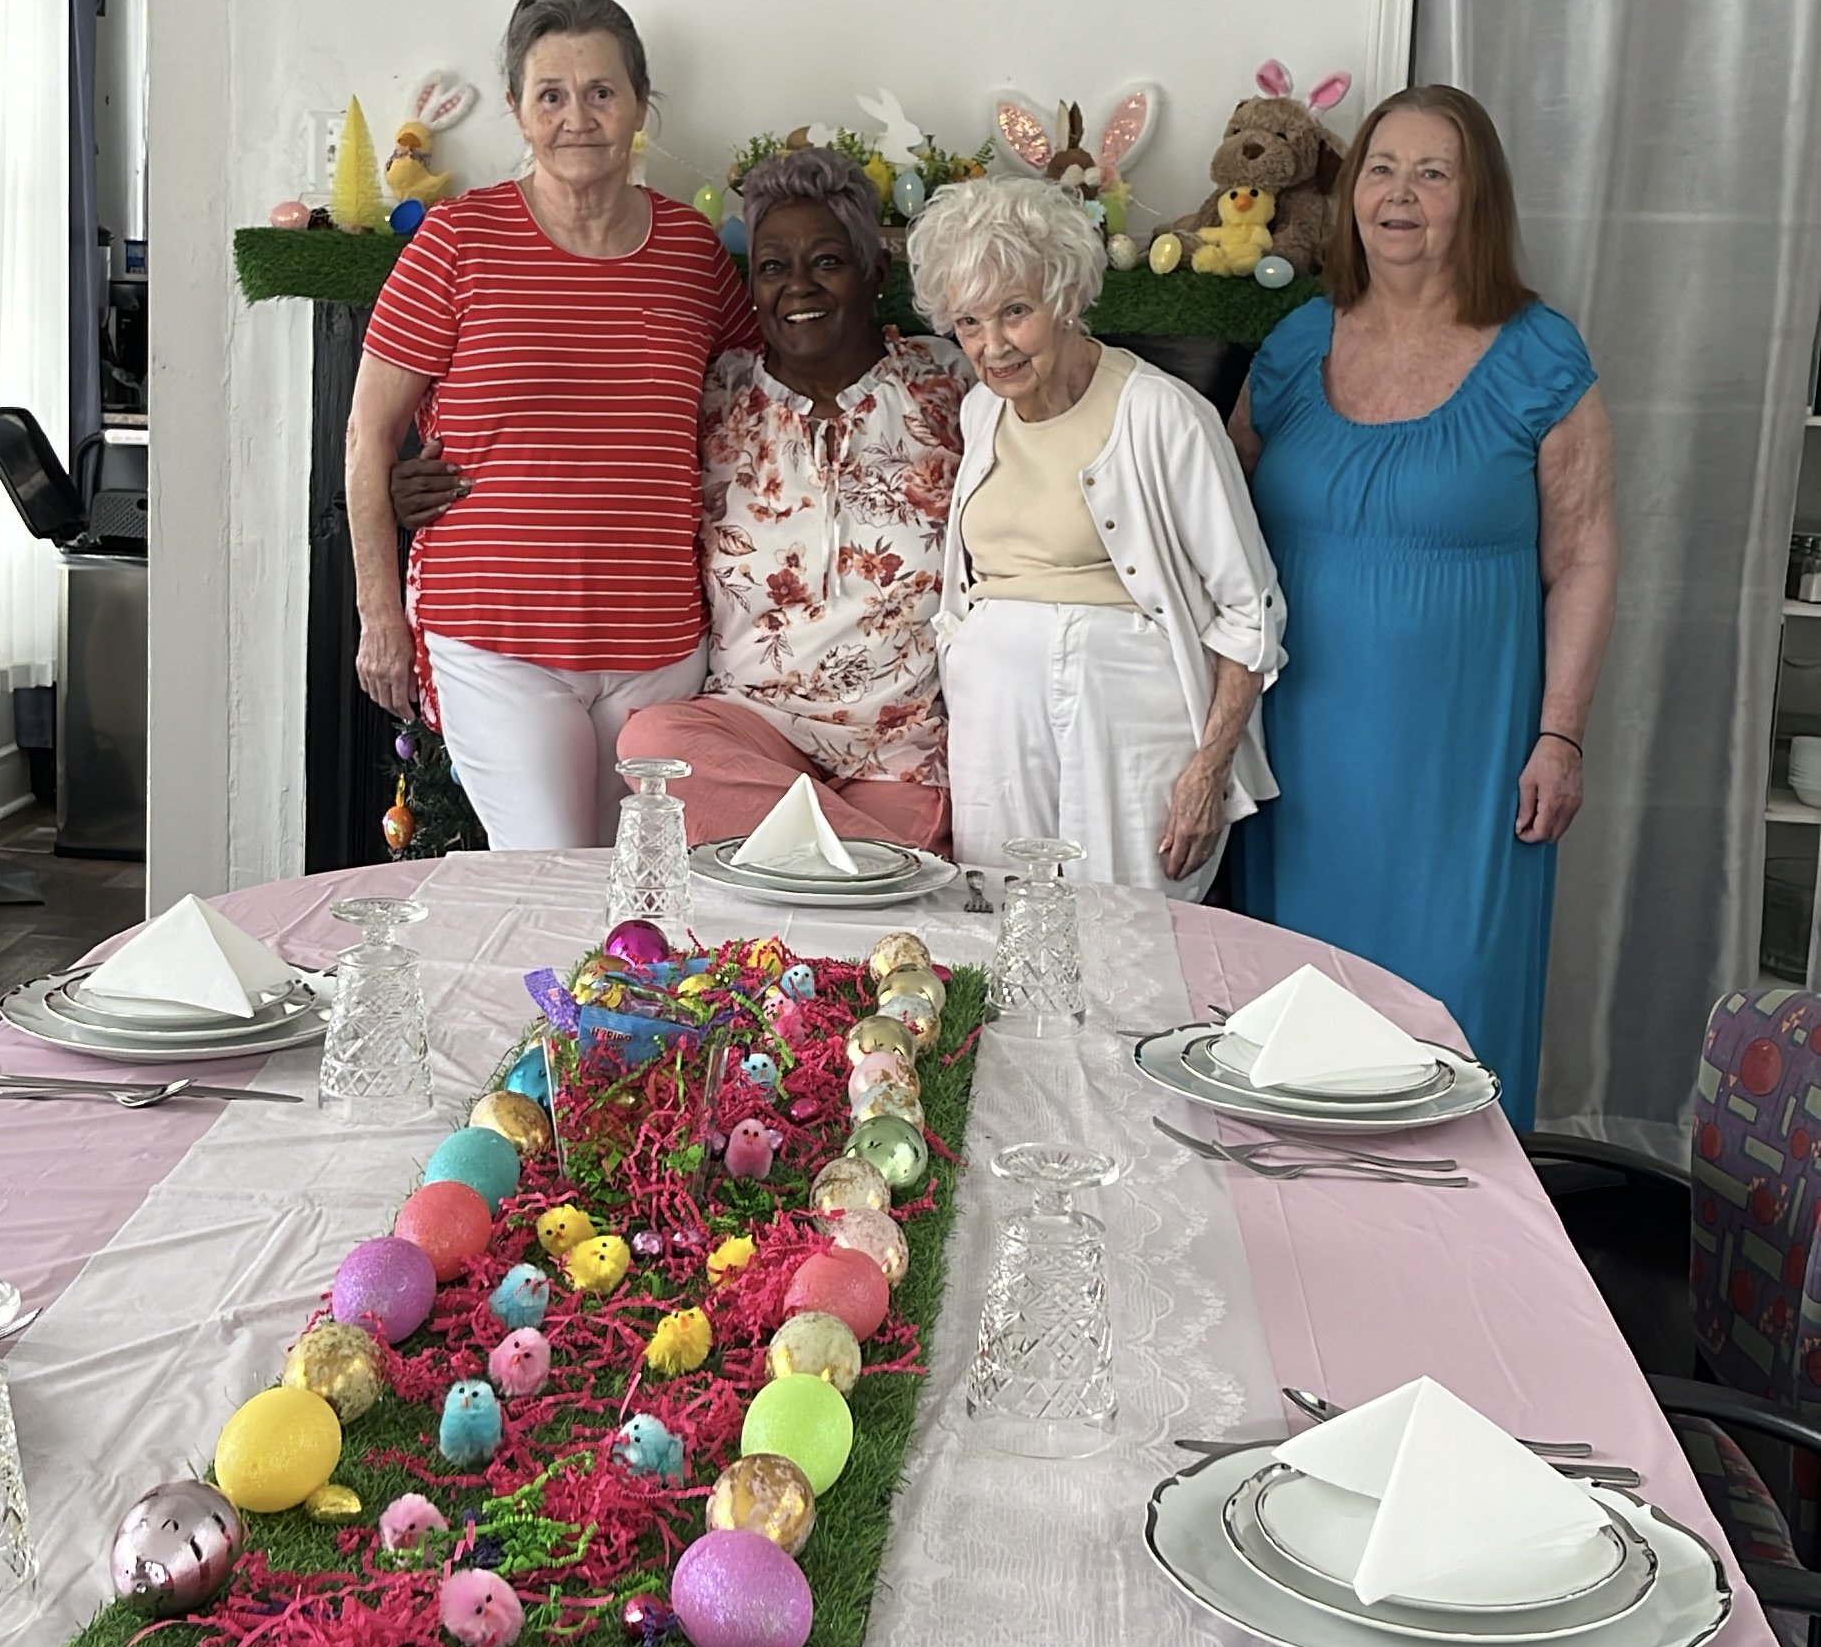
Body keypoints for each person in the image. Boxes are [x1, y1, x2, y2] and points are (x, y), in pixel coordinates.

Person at [1230, 83, 1617, 1129]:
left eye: (1432, 173)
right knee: (1294, 1033)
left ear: (1475, 200)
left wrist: (1562, 735)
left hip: (1466, 769)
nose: (1400, 195)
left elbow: (1584, 555)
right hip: (1300, 763)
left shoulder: (1540, 355)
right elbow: (1212, 524)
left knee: (1447, 1034)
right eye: (1382, 170)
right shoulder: (1293, 347)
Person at [346, 0, 754, 848]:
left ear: (639, 103)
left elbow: (756, 411)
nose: (578, 118)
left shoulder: (693, 254)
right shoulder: (457, 241)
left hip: (660, 642)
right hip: (496, 635)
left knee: (644, 883)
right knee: (548, 872)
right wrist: (380, 618)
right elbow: (368, 435)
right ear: (517, 111)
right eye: (552, 96)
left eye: (601, 92)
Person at [906, 176, 1284, 894]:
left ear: (1067, 298)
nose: (992, 346)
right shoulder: (981, 411)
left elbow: (1251, 609)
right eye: (969, 322)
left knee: (1130, 933)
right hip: (996, 718)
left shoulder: (1163, 415)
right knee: (1002, 920)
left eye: (1015, 312)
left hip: (1130, 720)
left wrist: (1209, 769)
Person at [618, 146, 970, 847]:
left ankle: (831, 859)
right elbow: (593, 465)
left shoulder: (949, 387)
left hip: (899, 752)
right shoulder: (714, 396)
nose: (798, 286)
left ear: (875, 273)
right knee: (653, 742)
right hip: (752, 733)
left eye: (827, 261)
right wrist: (437, 483)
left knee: (801, 888)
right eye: (774, 267)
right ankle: (879, 865)